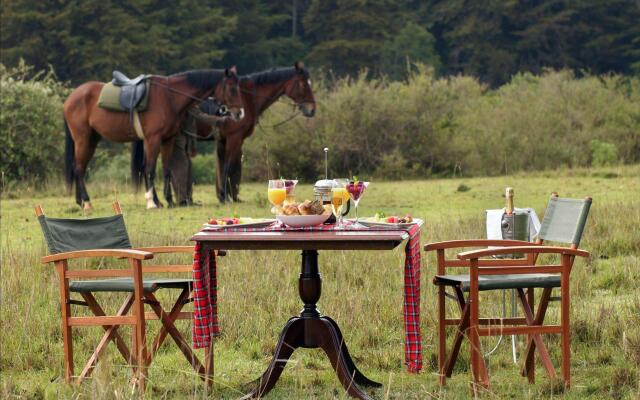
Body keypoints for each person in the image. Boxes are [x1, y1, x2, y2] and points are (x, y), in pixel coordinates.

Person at [167, 98, 227, 206]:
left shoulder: (188, 102)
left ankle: (187, 199)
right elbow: (200, 116)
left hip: (183, 135)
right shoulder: (187, 102)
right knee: (181, 164)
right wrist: (220, 120)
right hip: (176, 135)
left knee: (187, 164)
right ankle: (181, 200)